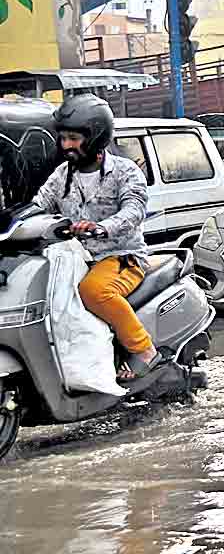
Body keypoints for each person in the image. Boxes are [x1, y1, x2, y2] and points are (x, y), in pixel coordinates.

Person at [34, 95, 159, 382]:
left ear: (95, 138)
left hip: (120, 257)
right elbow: (39, 205)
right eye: (63, 138)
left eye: (74, 138)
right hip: (74, 259)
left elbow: (134, 210)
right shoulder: (62, 175)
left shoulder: (125, 171)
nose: (66, 145)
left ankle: (144, 350)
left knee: (94, 291)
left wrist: (102, 227)